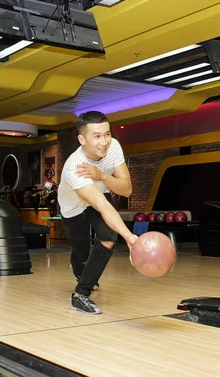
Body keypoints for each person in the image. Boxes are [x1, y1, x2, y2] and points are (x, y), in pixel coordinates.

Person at [58, 111, 137, 315]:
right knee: (81, 252)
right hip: (73, 207)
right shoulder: (74, 167)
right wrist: (130, 237)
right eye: (97, 136)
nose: (104, 142)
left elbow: (126, 189)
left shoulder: (113, 147)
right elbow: (102, 205)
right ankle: (80, 268)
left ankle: (80, 295)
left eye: (107, 134)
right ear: (82, 139)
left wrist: (102, 175)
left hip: (98, 195)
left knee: (109, 237)